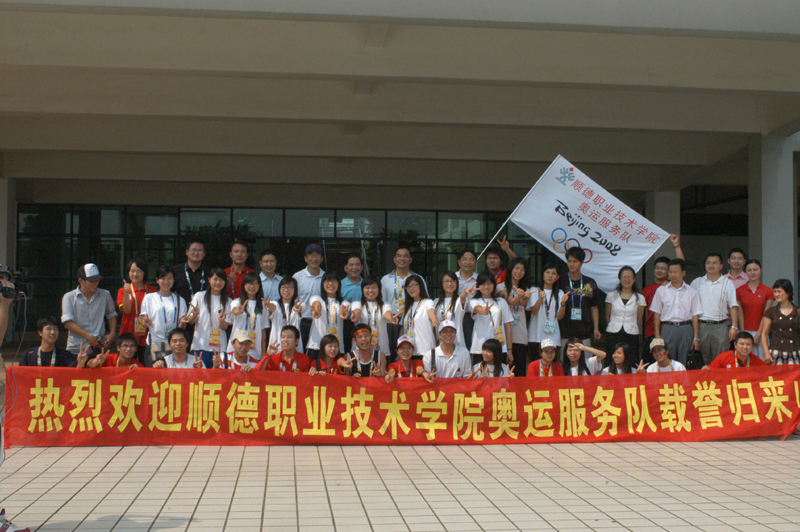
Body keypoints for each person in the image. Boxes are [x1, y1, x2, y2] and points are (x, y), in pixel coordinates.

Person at [651, 258, 703, 366]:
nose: (672, 274)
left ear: (683, 273)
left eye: (675, 272)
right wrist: (657, 335)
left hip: (686, 328)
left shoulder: (691, 292)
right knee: (667, 359)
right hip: (668, 328)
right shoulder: (661, 290)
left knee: (684, 360)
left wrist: (696, 337)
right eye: (670, 272)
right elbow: (657, 313)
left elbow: (695, 316)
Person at [690, 253, 740, 365]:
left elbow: (733, 306)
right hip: (701, 326)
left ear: (721, 266)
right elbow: (691, 307)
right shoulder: (696, 282)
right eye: (708, 263)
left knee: (721, 358)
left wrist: (734, 326)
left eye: (714, 263)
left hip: (720, 326)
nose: (711, 265)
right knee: (702, 358)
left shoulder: (727, 283)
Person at [641, 234, 684, 363]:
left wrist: (676, 245)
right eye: (657, 268)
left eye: (663, 268)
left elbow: (680, 263)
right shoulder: (647, 289)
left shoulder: (673, 285)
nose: (659, 271)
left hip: (669, 331)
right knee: (651, 364)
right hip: (651, 332)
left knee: (670, 363)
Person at [61, 263, 117, 358]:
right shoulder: (69, 297)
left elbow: (111, 314)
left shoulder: (105, 294)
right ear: (81, 281)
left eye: (97, 280)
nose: (96, 283)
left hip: (98, 347)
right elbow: (67, 323)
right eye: (92, 281)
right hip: (76, 349)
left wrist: (112, 334)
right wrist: (89, 337)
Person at [381, 246, 426, 360]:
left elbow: (424, 299)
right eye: (399, 256)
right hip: (391, 321)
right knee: (392, 353)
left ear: (410, 259)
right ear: (394, 259)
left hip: (411, 320)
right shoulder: (385, 279)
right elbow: (382, 303)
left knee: (409, 353)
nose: (402, 259)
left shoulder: (418, 278)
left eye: (405, 256)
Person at [139, 265, 190, 365]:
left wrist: (183, 323)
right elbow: (143, 322)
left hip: (174, 344)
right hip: (154, 342)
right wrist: (145, 322)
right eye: (163, 278)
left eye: (169, 278)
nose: (166, 282)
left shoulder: (180, 300)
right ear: (157, 280)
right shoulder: (149, 298)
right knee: (153, 373)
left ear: (173, 280)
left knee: (172, 373)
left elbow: (181, 327)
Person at [185, 267, 232, 370]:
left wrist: (222, 320)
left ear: (225, 282)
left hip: (219, 348)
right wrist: (195, 315)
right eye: (215, 279)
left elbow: (224, 327)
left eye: (221, 280)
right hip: (199, 346)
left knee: (218, 377)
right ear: (209, 280)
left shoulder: (228, 301)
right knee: (199, 377)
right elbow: (190, 321)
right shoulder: (199, 296)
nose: (218, 283)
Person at [465, 273, 513, 366]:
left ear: (494, 285)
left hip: (500, 346)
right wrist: (482, 310)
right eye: (483, 284)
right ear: (478, 286)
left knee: (499, 373)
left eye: (489, 283)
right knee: (480, 373)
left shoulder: (501, 301)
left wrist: (509, 351)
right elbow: (476, 308)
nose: (486, 287)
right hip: (480, 348)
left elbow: (508, 327)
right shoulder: (474, 301)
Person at [558, 247, 601, 347]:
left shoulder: (590, 282)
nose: (571, 264)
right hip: (564, 330)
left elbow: (594, 307)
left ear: (581, 262)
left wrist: (596, 328)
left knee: (585, 356)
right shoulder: (560, 281)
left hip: (584, 330)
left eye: (575, 261)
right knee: (565, 356)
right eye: (569, 261)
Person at [497, 257, 533, 376]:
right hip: (503, 334)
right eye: (516, 268)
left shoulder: (526, 289)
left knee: (519, 372)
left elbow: (522, 303)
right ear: (511, 269)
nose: (519, 272)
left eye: (522, 270)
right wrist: (519, 295)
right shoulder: (501, 287)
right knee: (503, 373)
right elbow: (511, 301)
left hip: (520, 334)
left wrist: (524, 296)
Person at [117, 259, 156, 364]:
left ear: (144, 273)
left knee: (145, 364)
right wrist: (126, 293)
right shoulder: (122, 290)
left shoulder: (152, 290)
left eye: (139, 271)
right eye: (132, 271)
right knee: (127, 364)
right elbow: (127, 310)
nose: (135, 274)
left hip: (146, 333)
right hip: (129, 332)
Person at [226, 272, 270, 365]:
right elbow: (234, 310)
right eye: (249, 283)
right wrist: (238, 310)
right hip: (236, 348)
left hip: (255, 350)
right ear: (244, 285)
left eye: (255, 284)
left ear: (259, 286)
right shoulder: (237, 302)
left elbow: (263, 331)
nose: (252, 286)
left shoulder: (263, 306)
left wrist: (263, 352)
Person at [604, 265, 646, 363]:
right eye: (624, 277)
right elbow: (607, 315)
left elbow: (639, 319)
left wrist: (631, 325)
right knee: (612, 359)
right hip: (613, 333)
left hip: (631, 334)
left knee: (630, 360)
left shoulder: (640, 298)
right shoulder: (611, 296)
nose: (627, 280)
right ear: (619, 279)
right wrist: (613, 324)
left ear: (634, 279)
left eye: (629, 277)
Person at [528, 262, 568, 361]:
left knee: (552, 366)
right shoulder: (534, 290)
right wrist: (541, 298)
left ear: (557, 277)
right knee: (536, 365)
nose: (550, 275)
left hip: (553, 337)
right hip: (535, 336)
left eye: (553, 273)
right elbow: (534, 311)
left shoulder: (560, 293)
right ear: (543, 274)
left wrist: (563, 304)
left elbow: (560, 316)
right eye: (547, 272)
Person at [735, 259, 773, 359]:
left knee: (761, 361)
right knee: (744, 360)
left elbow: (766, 314)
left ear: (761, 270)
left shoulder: (768, 291)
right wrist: (743, 334)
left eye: (755, 270)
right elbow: (740, 314)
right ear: (746, 272)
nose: (752, 273)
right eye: (749, 270)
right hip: (744, 330)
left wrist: (759, 334)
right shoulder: (739, 290)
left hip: (761, 332)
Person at [307, 271, 349, 360]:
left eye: (334, 281)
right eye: (327, 281)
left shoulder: (344, 302)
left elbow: (344, 308)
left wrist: (343, 312)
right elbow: (316, 304)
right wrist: (316, 311)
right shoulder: (316, 298)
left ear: (339, 284)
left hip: (335, 348)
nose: (330, 284)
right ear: (322, 284)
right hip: (316, 346)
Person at [394, 274, 436, 358]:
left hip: (425, 350)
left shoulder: (428, 302)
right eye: (408, 287)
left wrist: (434, 319)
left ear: (420, 286)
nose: (411, 289)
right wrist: (400, 349)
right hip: (409, 352)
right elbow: (403, 329)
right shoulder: (408, 306)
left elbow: (431, 312)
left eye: (413, 285)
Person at [350, 276, 393, 357]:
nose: (370, 290)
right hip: (359, 350)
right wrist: (355, 315)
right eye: (367, 288)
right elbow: (357, 311)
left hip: (381, 350)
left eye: (374, 287)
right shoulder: (357, 304)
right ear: (362, 290)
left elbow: (387, 313)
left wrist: (391, 318)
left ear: (379, 289)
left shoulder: (385, 305)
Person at [294, 243, 325, 349]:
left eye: (317, 255)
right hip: (304, 321)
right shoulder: (297, 277)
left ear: (321, 258)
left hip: (322, 321)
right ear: (305, 258)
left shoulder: (326, 277)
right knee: (302, 351)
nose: (314, 258)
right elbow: (294, 300)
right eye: (311, 255)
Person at [762, 279, 800, 365]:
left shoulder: (798, 311)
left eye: (779, 291)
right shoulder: (770, 312)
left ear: (788, 292)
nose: (776, 294)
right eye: (775, 291)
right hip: (776, 351)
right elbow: (764, 333)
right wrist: (766, 353)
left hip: (795, 350)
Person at [268, 277, 305, 354]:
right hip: (277, 345)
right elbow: (272, 307)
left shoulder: (300, 304)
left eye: (290, 287)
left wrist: (297, 308)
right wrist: (268, 306)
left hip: (294, 345)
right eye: (283, 287)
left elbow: (301, 308)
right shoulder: (276, 304)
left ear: (295, 290)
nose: (286, 290)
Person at [172, 238, 211, 309]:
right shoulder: (175, 271)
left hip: (203, 312)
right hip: (180, 311)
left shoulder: (209, 273)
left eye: (200, 250)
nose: (196, 253)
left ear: (204, 254)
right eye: (193, 250)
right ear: (187, 252)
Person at [433, 271, 467, 347]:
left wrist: (465, 292)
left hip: (457, 343)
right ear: (442, 284)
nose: (449, 284)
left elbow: (462, 297)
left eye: (453, 281)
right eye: (446, 281)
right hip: (440, 344)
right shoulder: (436, 302)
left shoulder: (459, 300)